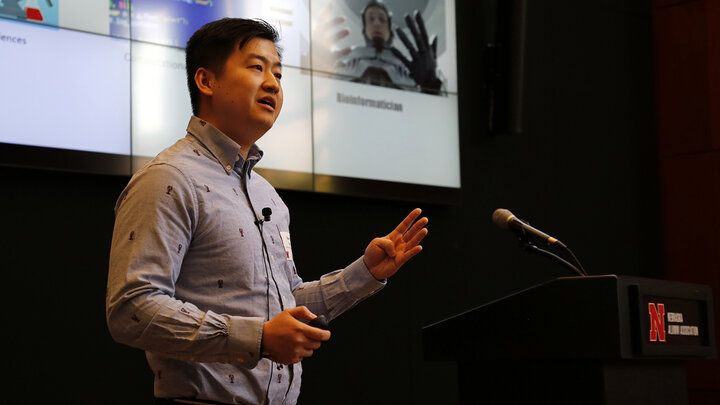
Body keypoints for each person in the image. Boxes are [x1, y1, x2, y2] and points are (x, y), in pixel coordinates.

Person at [106, 18, 428, 405]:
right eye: (257, 67)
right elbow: (131, 309)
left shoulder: (268, 196)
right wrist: (256, 338)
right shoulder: (168, 179)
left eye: (278, 73)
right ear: (206, 81)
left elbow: (286, 304)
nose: (274, 83)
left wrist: (365, 273)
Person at [315, 0, 444, 94]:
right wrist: (314, 68)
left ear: (389, 27)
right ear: (364, 28)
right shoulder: (343, 59)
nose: (376, 23)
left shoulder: (411, 70)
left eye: (382, 19)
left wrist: (431, 86)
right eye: (370, 19)